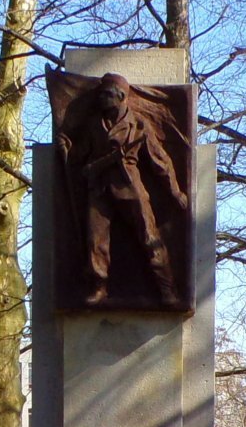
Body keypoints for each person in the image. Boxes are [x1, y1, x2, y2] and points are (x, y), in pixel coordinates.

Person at [59, 74, 189, 309]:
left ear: (121, 97)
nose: (101, 98)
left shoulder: (139, 125)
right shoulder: (93, 125)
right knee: (95, 241)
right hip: (98, 188)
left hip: (129, 186)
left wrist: (175, 192)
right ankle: (98, 287)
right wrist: (67, 149)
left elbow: (161, 162)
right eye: (99, 94)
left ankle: (167, 290)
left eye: (106, 94)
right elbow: (80, 158)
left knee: (149, 237)